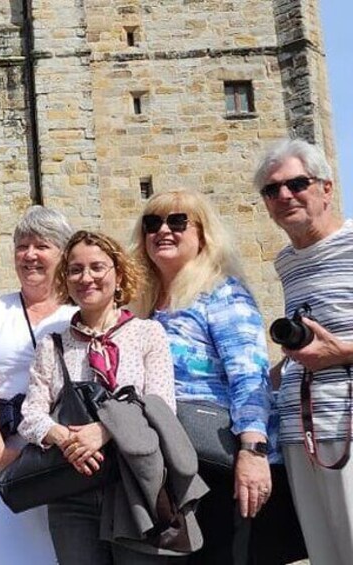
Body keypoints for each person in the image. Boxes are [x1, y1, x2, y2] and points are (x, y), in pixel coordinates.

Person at [130, 189, 304, 565]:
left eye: (178, 221)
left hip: (218, 459)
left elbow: (250, 378)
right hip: (168, 464)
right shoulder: (139, 304)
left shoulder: (222, 294)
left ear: (203, 234)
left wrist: (253, 453)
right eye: (152, 223)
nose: (163, 231)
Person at [18, 230, 176, 564]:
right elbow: (30, 415)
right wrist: (67, 440)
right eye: (75, 270)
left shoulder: (147, 334)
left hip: (134, 486)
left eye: (97, 267)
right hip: (72, 491)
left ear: (118, 274)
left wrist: (104, 431)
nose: (86, 277)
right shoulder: (52, 343)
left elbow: (161, 407)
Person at [255, 138, 353, 565]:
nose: (284, 195)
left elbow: (333, 347)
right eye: (271, 189)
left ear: (326, 188)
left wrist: (342, 352)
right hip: (300, 433)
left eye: (297, 184)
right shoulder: (287, 262)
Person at [0, 206, 74, 563]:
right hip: (3, 455)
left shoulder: (79, 312)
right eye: (22, 246)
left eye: (41, 246)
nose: (29, 255)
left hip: (68, 457)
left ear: (63, 253)